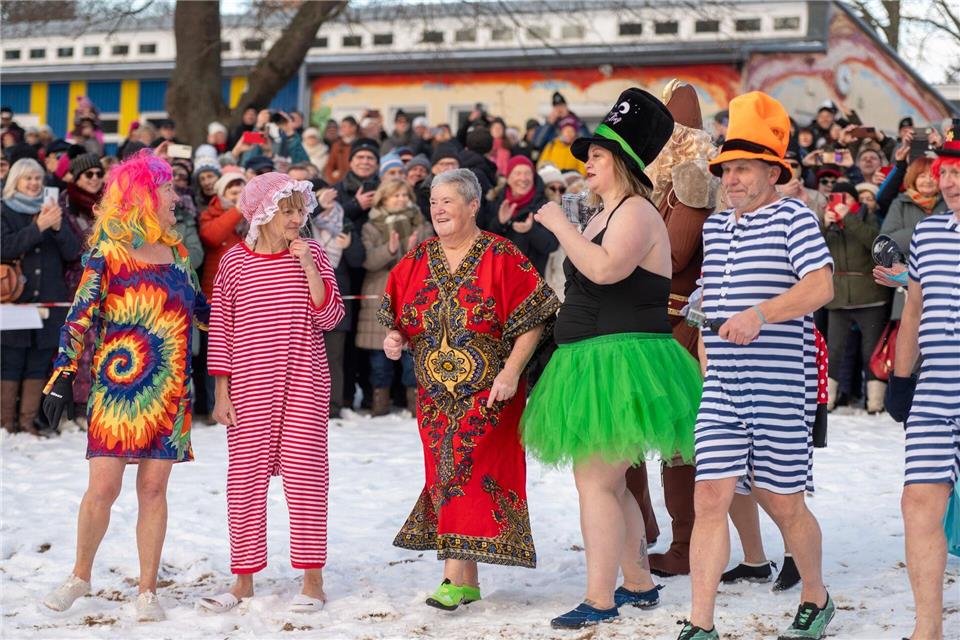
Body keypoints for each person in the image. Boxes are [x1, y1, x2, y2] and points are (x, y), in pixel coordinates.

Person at [522, 89, 703, 629]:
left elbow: (605, 270)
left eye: (597, 156)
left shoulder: (637, 211)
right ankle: (639, 582)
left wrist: (560, 226)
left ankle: (600, 598)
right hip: (593, 358)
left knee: (597, 484)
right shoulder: (607, 212)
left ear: (621, 161)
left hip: (620, 361)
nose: (588, 164)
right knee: (611, 481)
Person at [679, 92, 835, 640]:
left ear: (773, 171)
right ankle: (701, 623)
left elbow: (821, 287)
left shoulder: (794, 218)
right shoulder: (716, 227)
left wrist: (761, 314)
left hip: (780, 387)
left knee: (783, 504)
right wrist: (704, 342)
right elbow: (712, 302)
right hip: (723, 387)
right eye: (727, 170)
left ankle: (816, 595)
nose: (732, 179)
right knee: (709, 497)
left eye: (743, 168)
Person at [378, 168, 559, 611]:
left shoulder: (502, 254)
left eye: (448, 201)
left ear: (473, 205)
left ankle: (450, 578)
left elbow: (535, 317)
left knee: (466, 472)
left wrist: (512, 372)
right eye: (433, 202)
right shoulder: (417, 259)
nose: (438, 209)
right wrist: (395, 338)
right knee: (446, 475)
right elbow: (398, 319)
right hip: (435, 397)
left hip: (492, 392)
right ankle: (468, 582)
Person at [39, 151, 207, 621]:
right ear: (143, 196)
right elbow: (78, 318)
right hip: (118, 388)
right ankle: (79, 575)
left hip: (170, 390)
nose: (175, 197)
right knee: (104, 487)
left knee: (153, 489)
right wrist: (61, 375)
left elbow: (203, 313)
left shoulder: (178, 254)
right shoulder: (108, 253)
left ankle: (147, 590)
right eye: (167, 189)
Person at [200, 173, 344, 614]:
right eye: (288, 211)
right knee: (244, 484)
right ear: (262, 213)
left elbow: (331, 317)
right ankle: (243, 581)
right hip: (248, 388)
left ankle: (313, 581)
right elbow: (222, 330)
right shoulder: (234, 263)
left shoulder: (313, 253)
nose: (298, 219)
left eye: (301, 210)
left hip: (304, 383)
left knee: (306, 480)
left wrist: (309, 268)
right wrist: (221, 393)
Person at [627, 80, 719, 579]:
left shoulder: (691, 177)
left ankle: (685, 544)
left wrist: (623, 243)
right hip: (643, 322)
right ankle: (640, 525)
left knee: (677, 440)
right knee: (624, 431)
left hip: (681, 323)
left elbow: (678, 254)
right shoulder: (653, 183)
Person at [885, 131, 960, 640]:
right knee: (918, 502)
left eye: (958, 173)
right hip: (934, 391)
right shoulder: (929, 233)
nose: (948, 182)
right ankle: (927, 629)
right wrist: (901, 376)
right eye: (945, 172)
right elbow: (913, 310)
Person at [1, 159, 82, 435]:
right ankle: (5, 424)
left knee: (39, 362)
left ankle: (28, 422)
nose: (34, 183)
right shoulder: (4, 210)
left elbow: (73, 253)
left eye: (38, 178)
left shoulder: (53, 209)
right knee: (10, 362)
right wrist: (38, 228)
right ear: (15, 181)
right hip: (15, 300)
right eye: (28, 179)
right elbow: (5, 247)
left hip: (49, 299)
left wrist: (56, 228)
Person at [357, 179, 433, 416]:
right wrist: (390, 249)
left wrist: (412, 251)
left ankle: (415, 405)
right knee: (379, 359)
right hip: (381, 295)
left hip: (414, 297)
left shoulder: (421, 224)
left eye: (404, 195)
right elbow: (368, 261)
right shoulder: (371, 226)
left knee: (412, 357)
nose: (401, 200)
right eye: (395, 195)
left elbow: (432, 259)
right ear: (384, 198)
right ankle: (379, 405)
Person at [821, 182, 890, 413]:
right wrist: (824, 225)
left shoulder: (868, 217)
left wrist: (849, 219)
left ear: (854, 200)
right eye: (834, 197)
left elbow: (875, 243)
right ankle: (827, 400)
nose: (839, 202)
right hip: (838, 297)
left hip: (870, 296)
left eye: (845, 197)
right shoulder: (827, 221)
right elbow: (813, 249)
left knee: (871, 350)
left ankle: (875, 403)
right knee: (834, 350)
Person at [60, 152, 107, 424]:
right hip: (74, 283)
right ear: (76, 177)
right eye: (88, 174)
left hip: (104, 282)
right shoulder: (66, 206)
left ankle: (89, 405)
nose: (94, 178)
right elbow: (69, 249)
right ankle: (72, 407)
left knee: (96, 347)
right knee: (76, 344)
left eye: (99, 173)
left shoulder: (108, 206)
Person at [480, 155, 557, 275]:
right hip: (499, 277)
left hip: (532, 279)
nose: (523, 178)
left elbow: (551, 246)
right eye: (518, 173)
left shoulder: (545, 205)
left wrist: (531, 230)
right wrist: (500, 223)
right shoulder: (494, 201)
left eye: (527, 173)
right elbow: (483, 243)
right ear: (508, 178)